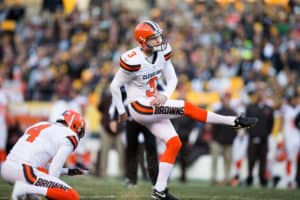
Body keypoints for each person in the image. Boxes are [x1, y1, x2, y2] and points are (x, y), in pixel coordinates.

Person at [110, 20, 258, 200]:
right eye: (154, 38)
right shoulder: (132, 59)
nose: (159, 41)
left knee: (174, 143)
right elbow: (115, 86)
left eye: (159, 37)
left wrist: (165, 95)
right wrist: (121, 110)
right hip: (138, 106)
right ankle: (234, 121)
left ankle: (159, 191)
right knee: (186, 107)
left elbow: (172, 80)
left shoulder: (163, 53)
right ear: (142, 41)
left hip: (153, 103)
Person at [0, 109, 86, 200]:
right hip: (24, 171)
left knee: (41, 175)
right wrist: (53, 190)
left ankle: (29, 193)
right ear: (74, 124)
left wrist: (66, 171)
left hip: (7, 168)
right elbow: (54, 169)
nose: (78, 134)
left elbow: (38, 162)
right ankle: (25, 189)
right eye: (79, 130)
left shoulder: (40, 125)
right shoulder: (70, 135)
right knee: (72, 197)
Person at [245, 82, 274, 187]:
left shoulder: (269, 109)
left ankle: (262, 178)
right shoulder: (250, 107)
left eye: (262, 91)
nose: (260, 94)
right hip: (252, 138)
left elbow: (271, 123)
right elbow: (246, 122)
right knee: (251, 159)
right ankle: (249, 177)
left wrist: (266, 134)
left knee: (263, 160)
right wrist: (251, 133)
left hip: (264, 139)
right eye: (258, 91)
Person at [210, 92, 237, 185]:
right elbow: (213, 127)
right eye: (225, 98)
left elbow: (236, 129)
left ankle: (227, 178)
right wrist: (214, 138)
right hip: (217, 140)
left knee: (228, 160)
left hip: (229, 141)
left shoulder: (233, 113)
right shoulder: (217, 111)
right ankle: (213, 178)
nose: (227, 100)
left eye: (228, 98)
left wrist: (232, 139)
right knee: (215, 159)